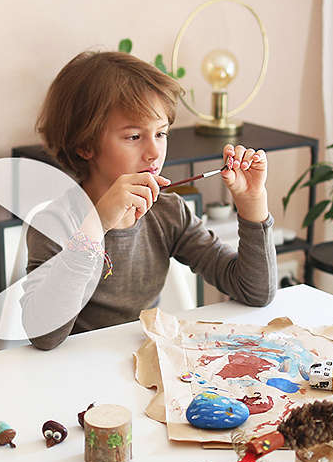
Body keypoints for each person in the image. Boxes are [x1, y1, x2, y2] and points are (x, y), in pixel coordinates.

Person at [22, 51, 277, 350]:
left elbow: (255, 292)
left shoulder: (168, 213)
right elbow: (43, 336)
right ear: (85, 146)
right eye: (133, 137)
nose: (154, 152)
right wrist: (97, 224)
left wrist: (252, 202)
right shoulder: (55, 223)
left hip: (141, 366)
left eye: (160, 133)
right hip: (76, 378)